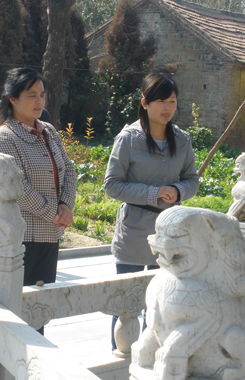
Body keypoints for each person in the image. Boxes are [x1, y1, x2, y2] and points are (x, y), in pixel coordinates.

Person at [103, 73, 199, 351]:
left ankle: (152, 357)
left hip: (170, 231)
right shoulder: (129, 138)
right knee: (127, 301)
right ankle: (121, 358)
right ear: (144, 103)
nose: (167, 108)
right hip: (134, 229)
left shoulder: (181, 140)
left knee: (162, 302)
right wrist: (152, 193)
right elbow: (112, 184)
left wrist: (178, 190)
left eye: (172, 101)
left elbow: (192, 178)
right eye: (160, 101)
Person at [0, 68, 76, 299]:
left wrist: (66, 205)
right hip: (22, 236)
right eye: (31, 95)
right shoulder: (3, 136)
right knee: (19, 304)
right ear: (13, 99)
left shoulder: (49, 131)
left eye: (42, 95)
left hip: (50, 235)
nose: (39, 101)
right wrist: (53, 212)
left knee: (41, 305)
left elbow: (69, 169)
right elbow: (16, 186)